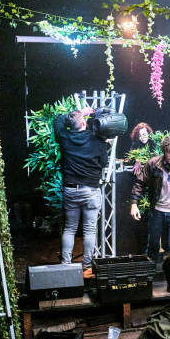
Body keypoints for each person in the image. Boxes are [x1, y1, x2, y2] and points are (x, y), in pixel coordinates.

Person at [54, 108, 109, 278]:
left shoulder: (65, 137)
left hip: (71, 190)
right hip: (91, 191)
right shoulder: (97, 140)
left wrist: (80, 112)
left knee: (70, 228)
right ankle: (86, 268)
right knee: (89, 230)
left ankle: (66, 265)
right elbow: (103, 163)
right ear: (84, 123)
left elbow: (57, 121)